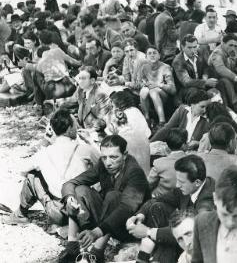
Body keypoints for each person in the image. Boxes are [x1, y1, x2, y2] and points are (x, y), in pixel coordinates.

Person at [58, 135, 150, 263]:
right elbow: (70, 183)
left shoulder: (135, 172)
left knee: (113, 195)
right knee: (79, 190)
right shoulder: (103, 164)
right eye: (104, 157)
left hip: (129, 226)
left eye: (113, 157)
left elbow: (127, 208)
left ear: (125, 155)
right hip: (107, 220)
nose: (108, 162)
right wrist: (69, 200)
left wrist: (96, 232)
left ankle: (97, 252)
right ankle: (72, 246)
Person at [1, 109, 99, 227]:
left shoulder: (44, 153)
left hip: (58, 213)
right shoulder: (85, 149)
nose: (77, 126)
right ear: (69, 128)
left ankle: (21, 214)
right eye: (75, 124)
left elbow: (22, 170)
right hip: (82, 209)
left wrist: (46, 141)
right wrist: (90, 141)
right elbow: (104, 162)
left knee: (32, 176)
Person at [130, 155, 215, 263]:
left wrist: (148, 232)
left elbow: (194, 232)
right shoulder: (190, 187)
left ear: (197, 182)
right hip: (187, 244)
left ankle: (152, 257)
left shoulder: (207, 202)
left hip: (202, 249)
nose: (177, 185)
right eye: (177, 180)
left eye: (181, 182)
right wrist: (140, 215)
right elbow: (157, 200)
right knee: (158, 207)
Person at [106, 89, 151, 175]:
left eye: (113, 105)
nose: (112, 108)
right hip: (145, 141)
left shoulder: (121, 116)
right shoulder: (135, 110)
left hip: (136, 149)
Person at [208, 33, 237, 106]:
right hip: (219, 82)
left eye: (235, 46)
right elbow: (220, 69)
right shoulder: (217, 53)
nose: (233, 48)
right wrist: (236, 78)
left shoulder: (233, 51)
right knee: (225, 81)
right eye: (230, 45)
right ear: (223, 43)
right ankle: (235, 104)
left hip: (231, 81)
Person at [138, 45, 176, 126]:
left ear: (159, 56)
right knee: (143, 91)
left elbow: (173, 90)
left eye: (154, 53)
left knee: (153, 91)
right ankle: (147, 118)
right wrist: (145, 84)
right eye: (149, 53)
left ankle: (162, 122)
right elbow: (140, 82)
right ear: (146, 57)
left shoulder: (165, 67)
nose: (152, 55)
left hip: (164, 97)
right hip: (150, 97)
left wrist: (158, 85)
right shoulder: (144, 67)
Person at [148, 128, 188, 198]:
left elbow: (148, 185)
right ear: (183, 145)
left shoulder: (159, 163)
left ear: (167, 145)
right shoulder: (193, 161)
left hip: (161, 200)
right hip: (184, 201)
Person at [74, 66, 111, 132]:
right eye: (79, 78)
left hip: (94, 131)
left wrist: (89, 131)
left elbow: (103, 121)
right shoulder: (80, 89)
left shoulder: (100, 94)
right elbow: (72, 102)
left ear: (92, 81)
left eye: (83, 79)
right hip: (81, 126)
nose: (79, 81)